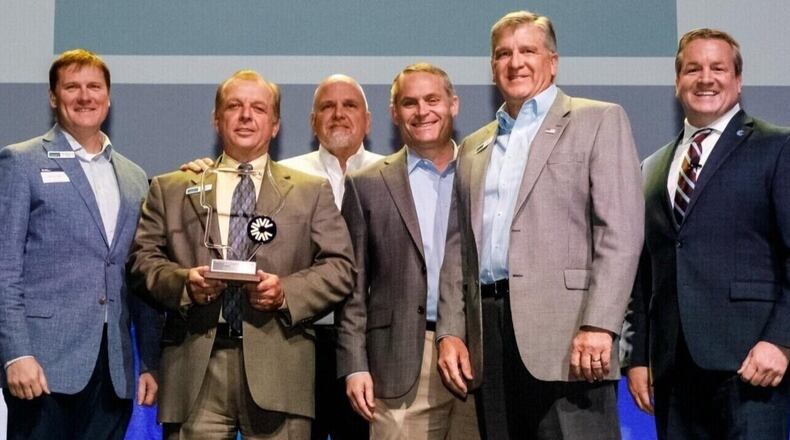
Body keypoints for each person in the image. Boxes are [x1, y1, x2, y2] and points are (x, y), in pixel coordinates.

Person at [438, 10, 644, 439]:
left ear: (552, 60)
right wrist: (452, 332)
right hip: (489, 336)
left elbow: (620, 234)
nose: (515, 63)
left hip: (570, 336)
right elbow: (459, 251)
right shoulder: (474, 145)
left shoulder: (598, 120)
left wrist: (600, 324)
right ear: (492, 67)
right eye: (503, 54)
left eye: (527, 50)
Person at [129, 70, 355, 439]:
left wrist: (286, 292)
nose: (246, 116)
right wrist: (185, 284)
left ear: (276, 124)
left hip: (280, 366)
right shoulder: (173, 187)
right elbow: (142, 262)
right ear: (217, 120)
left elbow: (340, 267)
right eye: (234, 106)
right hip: (195, 369)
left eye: (258, 108)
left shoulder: (310, 191)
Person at [625, 28, 790, 439]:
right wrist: (639, 357)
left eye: (718, 68)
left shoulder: (778, 147)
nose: (705, 78)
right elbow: (645, 273)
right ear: (677, 81)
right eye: (693, 68)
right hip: (673, 371)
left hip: (751, 364)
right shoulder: (653, 166)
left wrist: (781, 341)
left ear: (738, 80)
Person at [0, 48, 160, 440]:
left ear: (108, 97)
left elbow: (141, 277)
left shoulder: (135, 176)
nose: (84, 96)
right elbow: (4, 268)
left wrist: (149, 363)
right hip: (41, 366)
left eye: (94, 87)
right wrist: (16, 354)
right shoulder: (21, 162)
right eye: (72, 87)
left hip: (113, 370)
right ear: (54, 97)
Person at [338, 63, 479, 439]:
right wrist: (355, 365)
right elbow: (352, 287)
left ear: (454, 104)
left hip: (479, 357)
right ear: (394, 113)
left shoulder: (485, 172)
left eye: (432, 99)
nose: (422, 111)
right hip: (397, 362)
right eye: (409, 102)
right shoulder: (365, 184)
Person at [279, 74, 380, 440]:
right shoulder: (282, 175)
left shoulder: (391, 175)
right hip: (300, 340)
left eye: (349, 105)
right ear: (312, 121)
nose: (338, 114)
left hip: (372, 349)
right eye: (327, 106)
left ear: (368, 121)